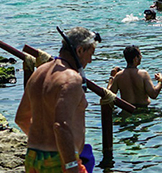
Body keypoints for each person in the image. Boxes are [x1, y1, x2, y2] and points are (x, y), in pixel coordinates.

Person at [15, 27, 99, 173]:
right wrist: (71, 165)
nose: (90, 60)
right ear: (79, 50)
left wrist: (42, 141)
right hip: (60, 161)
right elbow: (61, 125)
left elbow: (21, 118)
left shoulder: (39, 73)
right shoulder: (71, 79)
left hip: (33, 157)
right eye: (90, 54)